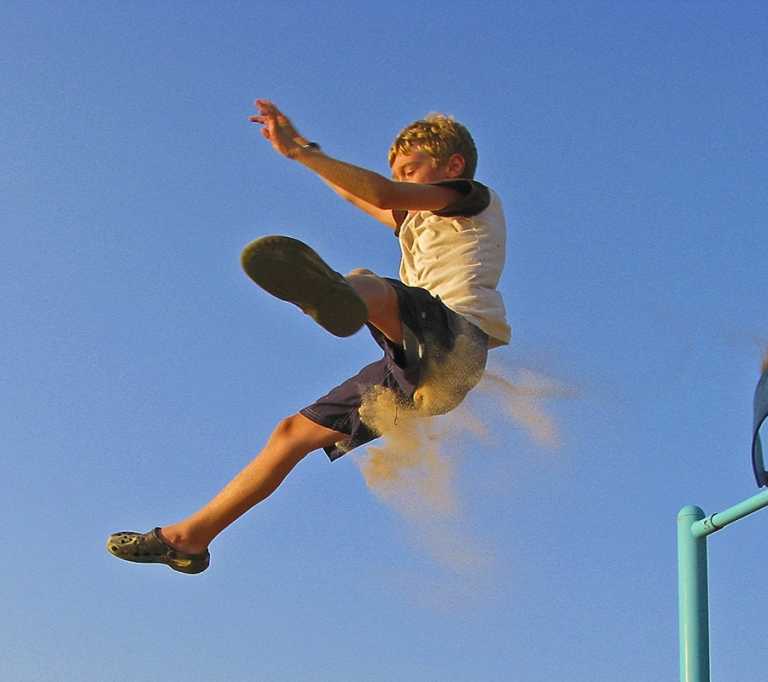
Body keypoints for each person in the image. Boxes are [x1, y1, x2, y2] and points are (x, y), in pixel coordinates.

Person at [106, 100, 510, 574]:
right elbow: (358, 197)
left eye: (410, 168)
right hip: (415, 366)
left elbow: (380, 193)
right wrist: (300, 152)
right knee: (291, 434)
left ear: (452, 165)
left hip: (456, 340)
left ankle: (343, 297)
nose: (401, 178)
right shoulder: (418, 223)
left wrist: (305, 151)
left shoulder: (469, 197)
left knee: (372, 285)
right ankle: (190, 539)